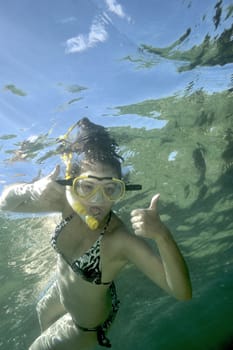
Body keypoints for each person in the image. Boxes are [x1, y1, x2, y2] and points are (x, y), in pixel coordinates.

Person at [0, 118, 192, 350]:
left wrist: (162, 235)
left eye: (110, 189)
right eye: (88, 187)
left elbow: (182, 293)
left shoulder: (118, 240)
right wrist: (30, 190)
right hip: (62, 292)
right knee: (42, 309)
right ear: (74, 184)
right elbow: (5, 204)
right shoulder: (65, 203)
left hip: (86, 327)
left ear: (120, 189)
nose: (98, 200)